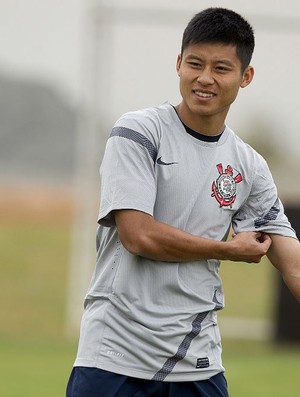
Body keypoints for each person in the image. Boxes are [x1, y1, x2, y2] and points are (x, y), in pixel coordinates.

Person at [66, 7, 300, 397]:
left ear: (246, 77)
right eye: (195, 63)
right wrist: (226, 250)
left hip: (196, 362)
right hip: (113, 357)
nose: (204, 78)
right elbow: (138, 235)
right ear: (178, 64)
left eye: (221, 68)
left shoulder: (249, 166)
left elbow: (291, 262)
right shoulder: (138, 133)